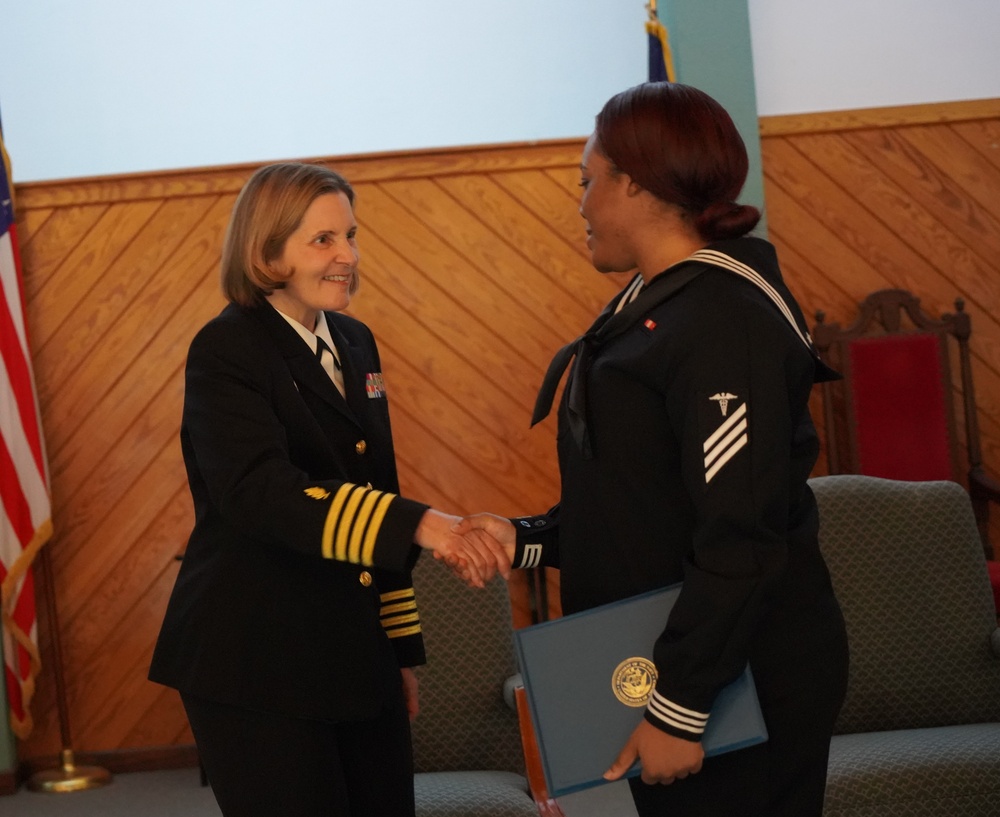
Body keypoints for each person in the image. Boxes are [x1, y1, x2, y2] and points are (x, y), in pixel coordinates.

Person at [456, 82, 849, 817]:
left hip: (744, 681)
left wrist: (681, 706)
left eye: (587, 180)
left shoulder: (724, 317)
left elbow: (742, 535)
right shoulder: (656, 301)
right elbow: (638, 507)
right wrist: (527, 539)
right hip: (671, 661)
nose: (580, 203)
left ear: (633, 183)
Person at [148, 162, 507, 817]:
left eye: (351, 235)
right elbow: (263, 493)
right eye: (324, 240)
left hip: (353, 653)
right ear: (266, 251)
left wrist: (396, 650)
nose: (348, 255)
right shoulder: (227, 347)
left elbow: (376, 482)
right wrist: (421, 523)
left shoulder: (354, 340)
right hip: (257, 657)